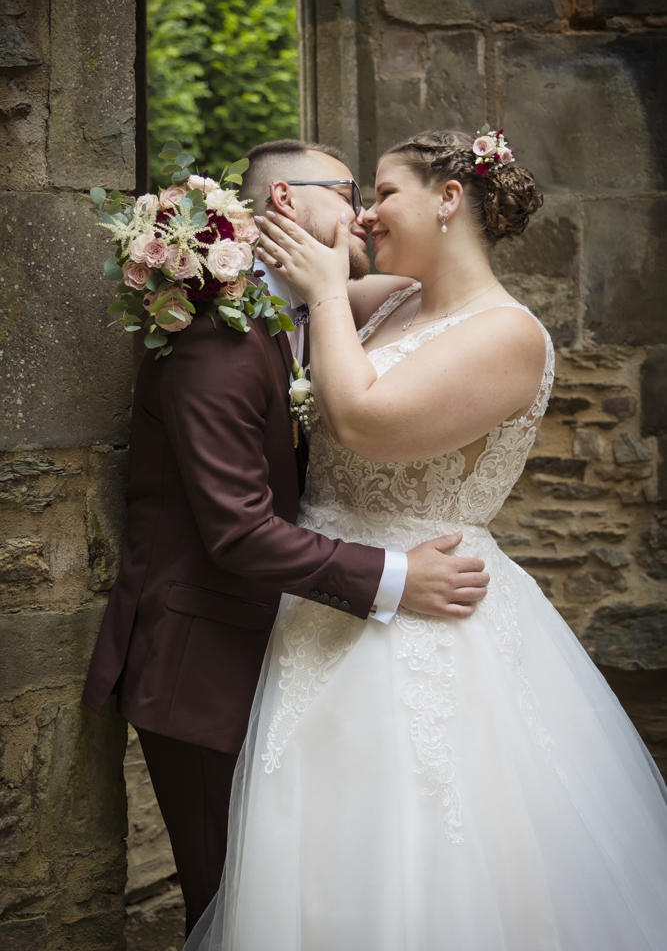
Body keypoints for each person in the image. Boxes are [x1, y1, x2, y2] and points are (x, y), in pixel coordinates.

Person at [186, 129, 667, 950]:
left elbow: (361, 420)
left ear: (448, 199)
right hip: (322, 601)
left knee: (424, 846)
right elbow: (285, 305)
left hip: (423, 608)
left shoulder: (506, 334)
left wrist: (332, 294)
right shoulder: (397, 300)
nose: (367, 214)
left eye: (384, 191)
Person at [81, 139, 490, 936]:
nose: (362, 211)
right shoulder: (217, 340)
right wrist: (399, 575)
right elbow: (239, 533)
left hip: (263, 648)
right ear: (283, 204)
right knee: (231, 909)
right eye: (345, 190)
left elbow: (424, 294)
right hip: (198, 664)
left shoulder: (291, 314)